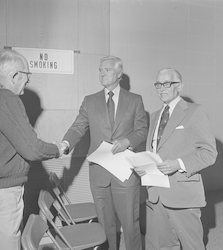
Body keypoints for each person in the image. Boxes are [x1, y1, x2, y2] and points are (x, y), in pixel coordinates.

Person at [61, 55, 148, 250]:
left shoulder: (135, 100)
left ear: (119, 74)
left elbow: (142, 130)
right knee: (104, 225)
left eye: (107, 70)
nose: (102, 73)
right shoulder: (90, 101)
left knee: (130, 224)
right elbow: (77, 128)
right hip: (99, 173)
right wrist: (65, 144)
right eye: (100, 70)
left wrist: (128, 141)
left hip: (125, 173)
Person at [134, 68, 217, 250]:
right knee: (164, 245)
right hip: (156, 193)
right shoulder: (155, 116)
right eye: (158, 84)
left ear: (179, 86)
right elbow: (155, 152)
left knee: (192, 245)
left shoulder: (195, 111)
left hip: (182, 192)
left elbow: (209, 153)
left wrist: (178, 164)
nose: (161, 88)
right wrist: (145, 168)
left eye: (166, 84)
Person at [0, 49, 61, 250]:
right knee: (9, 243)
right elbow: (32, 149)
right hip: (5, 191)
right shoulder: (7, 99)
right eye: (26, 78)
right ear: (14, 76)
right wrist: (57, 150)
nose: (25, 87)